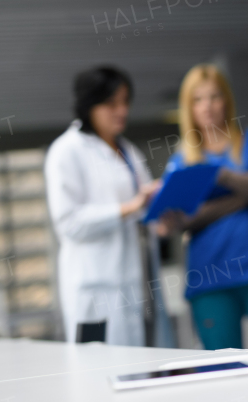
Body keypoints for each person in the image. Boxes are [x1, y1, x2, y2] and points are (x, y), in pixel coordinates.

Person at [157, 64, 248, 352]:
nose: (207, 107)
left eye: (214, 96)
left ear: (227, 100)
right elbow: (180, 220)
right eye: (198, 99)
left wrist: (222, 177)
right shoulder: (181, 162)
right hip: (210, 279)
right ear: (188, 107)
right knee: (224, 373)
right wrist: (244, 195)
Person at [44, 66, 172, 346]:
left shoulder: (128, 151)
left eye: (125, 102)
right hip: (93, 291)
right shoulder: (66, 151)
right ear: (89, 105)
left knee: (139, 371)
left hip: (135, 284)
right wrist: (129, 207)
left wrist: (158, 209)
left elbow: (142, 210)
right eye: (112, 103)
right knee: (94, 374)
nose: (122, 111)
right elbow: (69, 224)